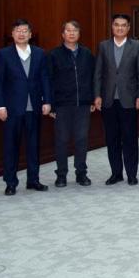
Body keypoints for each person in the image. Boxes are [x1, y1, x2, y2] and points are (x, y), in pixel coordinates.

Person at [0, 19, 52, 195]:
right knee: (11, 146)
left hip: (34, 107)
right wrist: (0, 105)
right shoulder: (4, 54)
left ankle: (33, 180)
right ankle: (10, 183)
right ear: (12, 34)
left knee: (33, 146)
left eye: (25, 30)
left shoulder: (39, 53)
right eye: (18, 30)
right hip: (12, 109)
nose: (21, 34)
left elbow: (44, 78)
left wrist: (47, 101)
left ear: (30, 34)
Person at [94, 13, 139, 186]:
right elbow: (98, 73)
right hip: (108, 100)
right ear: (112, 27)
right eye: (117, 25)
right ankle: (116, 173)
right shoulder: (103, 46)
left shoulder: (137, 46)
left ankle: (131, 174)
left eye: (123, 25)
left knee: (130, 139)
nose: (120, 28)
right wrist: (97, 95)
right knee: (112, 139)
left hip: (129, 100)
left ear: (128, 28)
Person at [47, 20, 96, 187]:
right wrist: (51, 104)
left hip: (83, 104)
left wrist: (92, 99)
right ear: (63, 34)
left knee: (81, 139)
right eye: (68, 30)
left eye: (75, 30)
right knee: (61, 140)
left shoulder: (87, 54)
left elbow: (93, 78)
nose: (71, 33)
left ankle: (81, 173)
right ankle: (61, 175)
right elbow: (49, 81)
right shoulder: (54, 55)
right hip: (62, 105)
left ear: (79, 34)